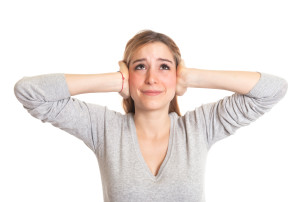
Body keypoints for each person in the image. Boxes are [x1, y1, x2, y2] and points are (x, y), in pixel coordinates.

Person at [14, 30, 288, 202]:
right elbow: (29, 92)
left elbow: (272, 89)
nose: (152, 78)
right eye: (140, 66)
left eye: (165, 67)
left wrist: (193, 76)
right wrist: (114, 81)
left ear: (177, 76)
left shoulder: (200, 127)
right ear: (127, 74)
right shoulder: (104, 128)